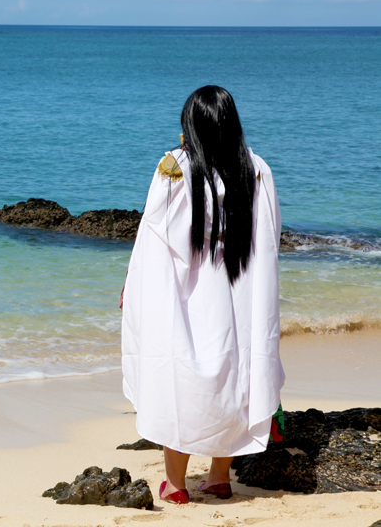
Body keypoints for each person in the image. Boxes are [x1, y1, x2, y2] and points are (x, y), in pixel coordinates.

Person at [121, 86, 284, 504]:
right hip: (238, 288)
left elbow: (154, 235)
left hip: (187, 292)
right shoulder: (257, 168)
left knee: (178, 376)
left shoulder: (175, 166)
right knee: (235, 375)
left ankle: (176, 486)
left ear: (190, 124)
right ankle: (218, 477)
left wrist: (133, 283)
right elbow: (269, 236)